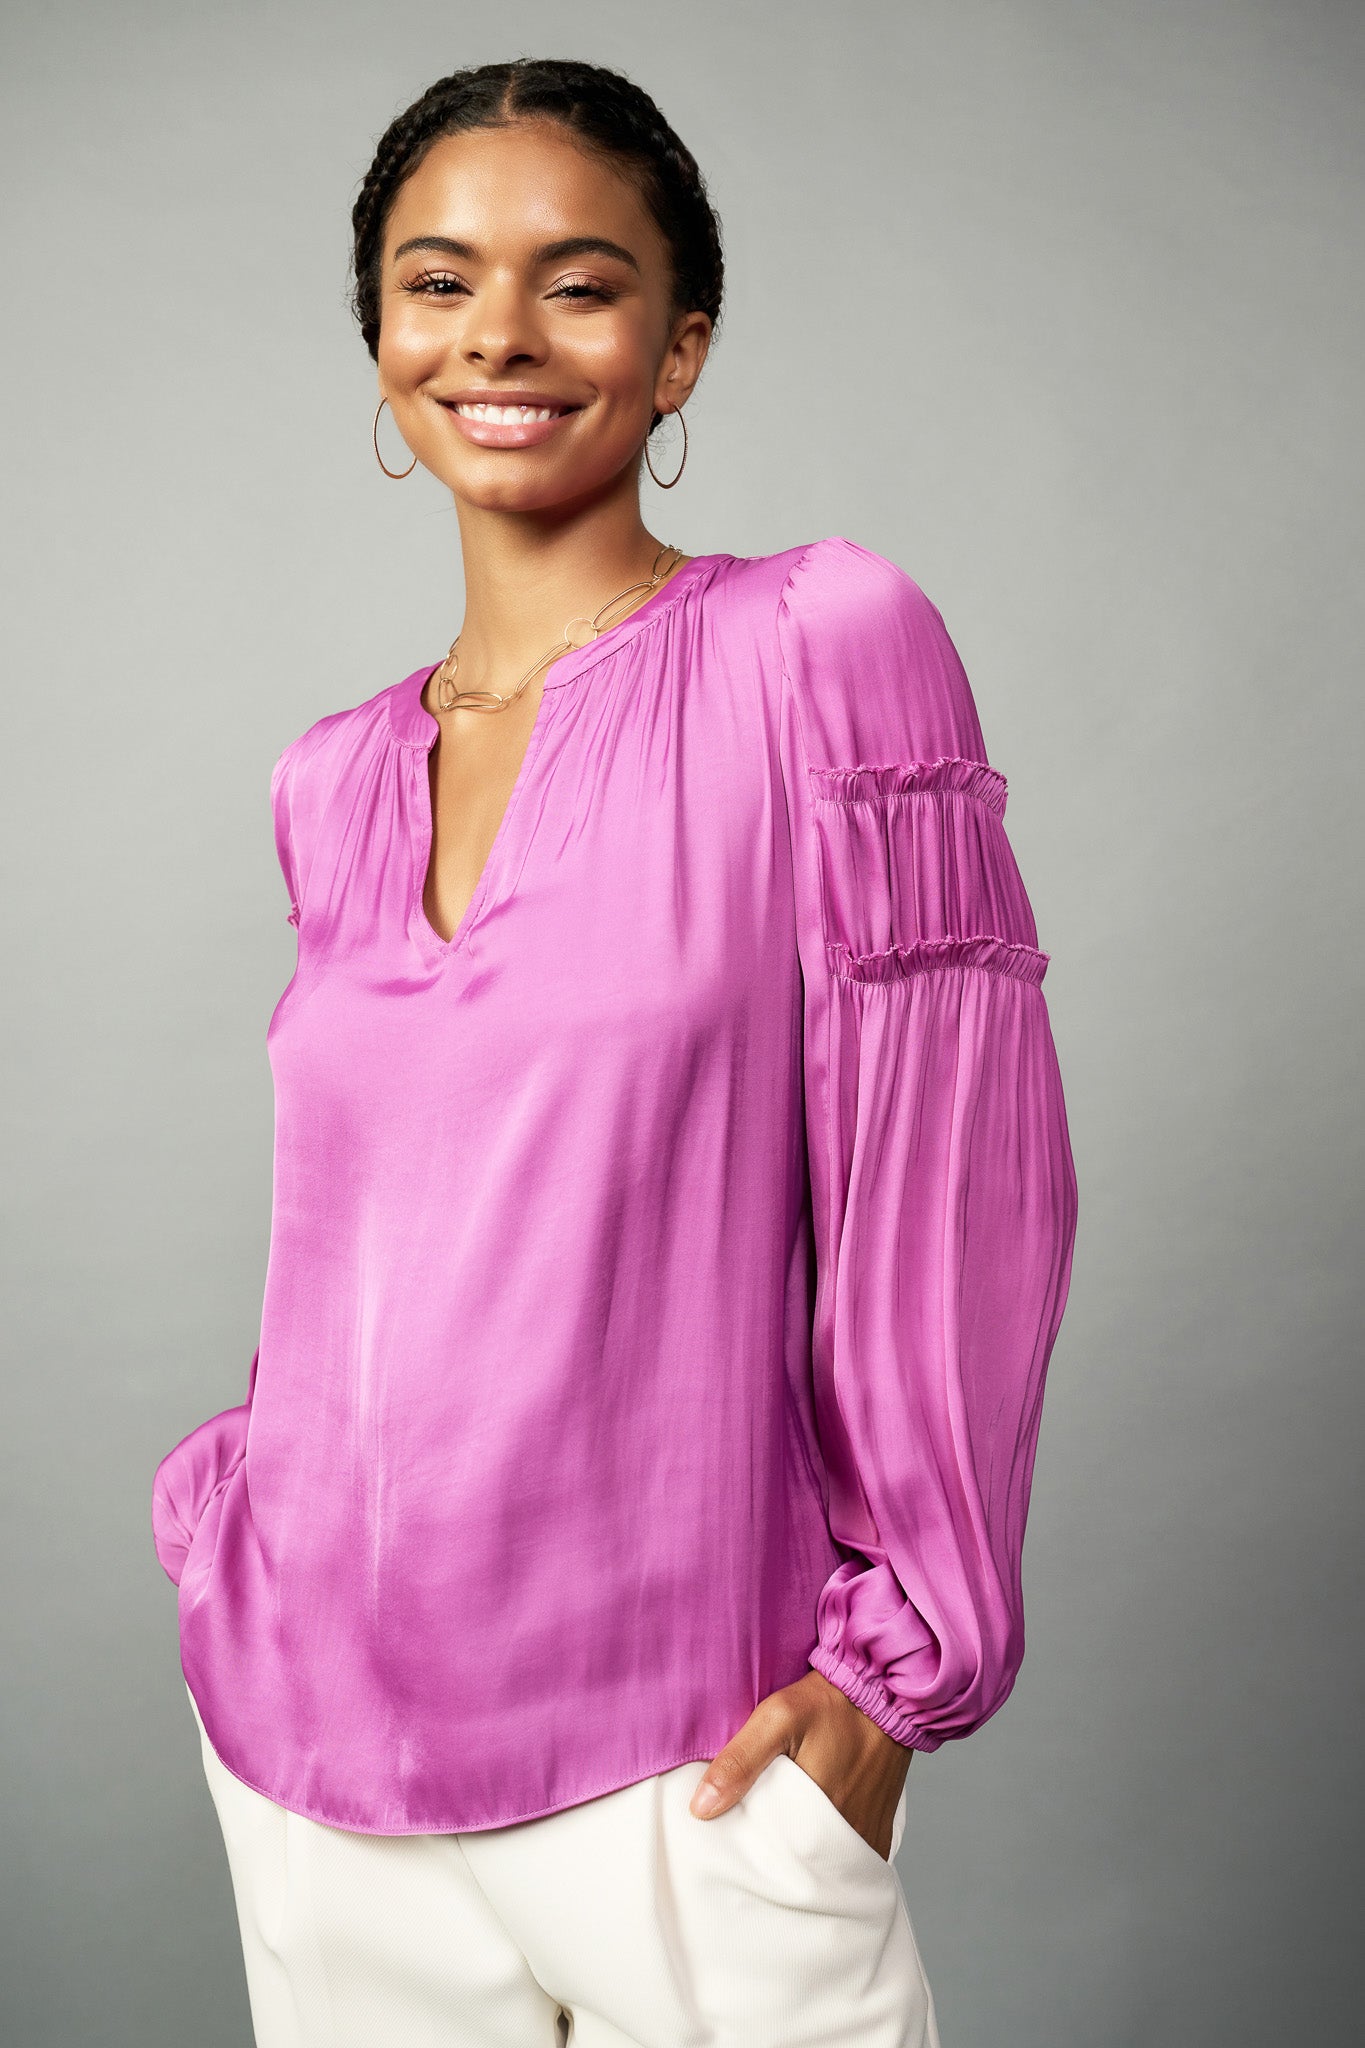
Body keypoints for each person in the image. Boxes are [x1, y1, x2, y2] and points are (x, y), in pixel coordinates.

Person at [151, 55, 1079, 2048]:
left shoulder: (816, 645)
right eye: (436, 282)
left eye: (577, 284)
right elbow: (369, 1231)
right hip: (314, 1768)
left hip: (689, 1758)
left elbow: (945, 1170)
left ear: (679, 349)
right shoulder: (329, 776)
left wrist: (898, 1667)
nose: (496, 333)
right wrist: (234, 1527)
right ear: (380, 341)